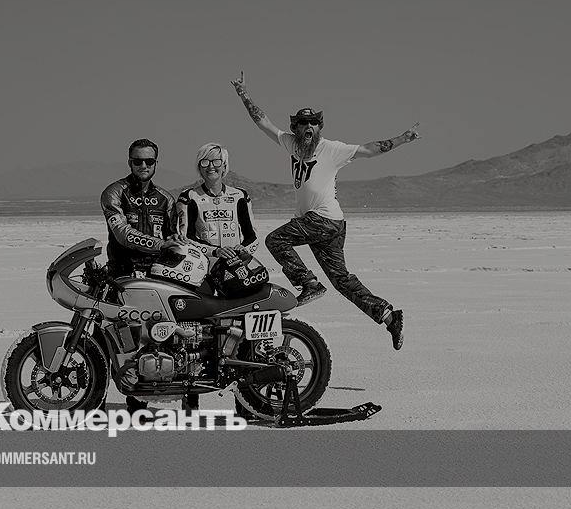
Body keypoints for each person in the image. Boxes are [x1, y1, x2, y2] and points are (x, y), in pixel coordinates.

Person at [230, 71, 420, 350]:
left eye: (314, 123)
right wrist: (243, 94)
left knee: (276, 240)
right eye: (303, 123)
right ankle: (389, 316)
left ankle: (309, 283)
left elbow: (370, 149)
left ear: (319, 127)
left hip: (324, 219)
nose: (309, 126)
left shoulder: (332, 149)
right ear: (296, 127)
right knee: (342, 281)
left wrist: (403, 138)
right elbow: (263, 122)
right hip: (326, 225)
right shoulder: (291, 143)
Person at [175, 142, 259, 415]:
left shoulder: (240, 196)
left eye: (216, 161)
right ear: (198, 167)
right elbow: (185, 237)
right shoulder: (189, 197)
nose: (211, 167)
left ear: (225, 166)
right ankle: (191, 403)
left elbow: (252, 236)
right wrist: (214, 251)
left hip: (234, 271)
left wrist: (243, 252)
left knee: (242, 332)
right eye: (205, 162)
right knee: (195, 332)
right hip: (202, 271)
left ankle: (245, 404)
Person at [100, 138, 181, 412]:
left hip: (156, 279)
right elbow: (122, 234)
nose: (143, 165)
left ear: (156, 163)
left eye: (149, 161)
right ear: (129, 162)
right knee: (115, 342)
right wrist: (160, 244)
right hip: (121, 277)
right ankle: (96, 400)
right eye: (138, 161)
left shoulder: (166, 199)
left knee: (155, 340)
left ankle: (141, 403)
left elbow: (175, 238)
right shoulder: (114, 192)